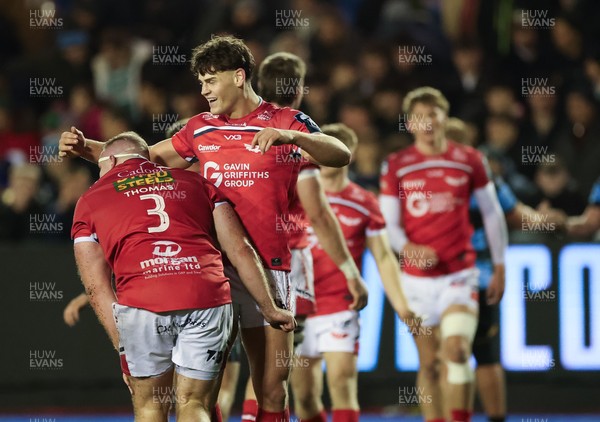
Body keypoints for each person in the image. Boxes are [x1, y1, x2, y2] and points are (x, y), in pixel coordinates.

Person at [60, 35, 350, 421]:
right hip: (215, 269)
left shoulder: (283, 120)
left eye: (210, 81)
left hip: (271, 264)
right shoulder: (199, 129)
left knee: (271, 387)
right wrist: (87, 148)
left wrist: (292, 137)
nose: (204, 90)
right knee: (205, 386)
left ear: (238, 76)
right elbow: (145, 157)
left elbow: (340, 154)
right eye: (200, 82)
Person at [72, 132, 295, 421]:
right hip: (206, 295)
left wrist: (123, 351)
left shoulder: (91, 199)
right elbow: (240, 249)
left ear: (111, 159)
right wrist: (269, 307)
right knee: (194, 403)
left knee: (151, 405)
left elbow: (96, 287)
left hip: (143, 301)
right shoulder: (197, 183)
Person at [237, 51, 370, 422]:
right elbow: (320, 216)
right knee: (278, 370)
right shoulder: (296, 135)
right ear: (298, 92)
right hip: (287, 262)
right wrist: (351, 272)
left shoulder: (236, 129)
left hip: (238, 257)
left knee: (251, 362)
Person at [379, 87, 508, 422]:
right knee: (430, 363)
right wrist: (408, 248)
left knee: (457, 349)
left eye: (434, 114)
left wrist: (500, 265)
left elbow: (493, 213)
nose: (428, 122)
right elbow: (388, 225)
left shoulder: (468, 159)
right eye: (420, 116)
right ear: (409, 123)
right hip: (417, 281)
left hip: (460, 273)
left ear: (444, 118)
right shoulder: (397, 165)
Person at [293, 123, 416, 422]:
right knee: (305, 399)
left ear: (348, 154)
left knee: (341, 383)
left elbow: (384, 256)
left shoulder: (364, 201)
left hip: (340, 304)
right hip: (299, 305)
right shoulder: (297, 194)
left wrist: (403, 307)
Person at [448, 117, 566, 422]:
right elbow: (515, 214)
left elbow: (510, 214)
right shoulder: (482, 176)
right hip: (475, 274)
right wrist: (546, 220)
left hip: (449, 278)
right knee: (479, 353)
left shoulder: (419, 178)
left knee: (447, 356)